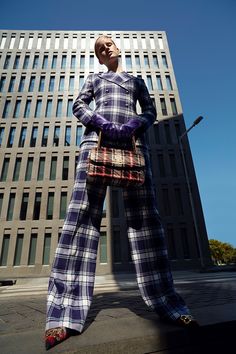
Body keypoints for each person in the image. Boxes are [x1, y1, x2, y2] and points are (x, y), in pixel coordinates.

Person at [45, 35, 199, 350]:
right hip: (95, 147)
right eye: (99, 48)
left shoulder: (136, 81)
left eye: (108, 44)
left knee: (147, 223)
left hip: (133, 148)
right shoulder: (94, 77)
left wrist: (132, 126)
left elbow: (150, 112)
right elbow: (78, 104)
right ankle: (63, 314)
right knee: (80, 222)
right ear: (99, 57)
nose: (105, 48)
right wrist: (100, 122)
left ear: (117, 48)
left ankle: (169, 304)